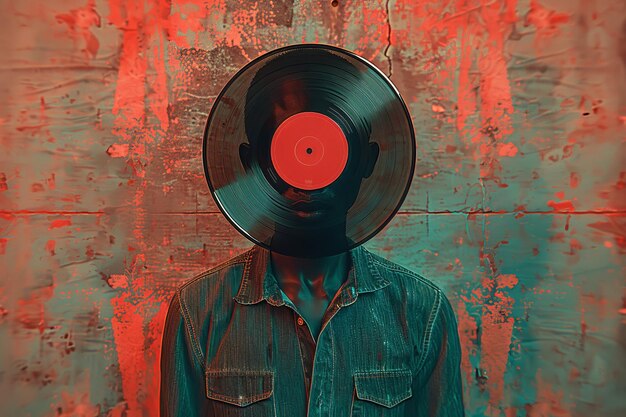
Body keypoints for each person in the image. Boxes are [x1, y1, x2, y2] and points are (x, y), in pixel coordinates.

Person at [160, 46, 465, 417]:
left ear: (365, 160)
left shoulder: (422, 312)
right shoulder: (197, 312)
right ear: (251, 162)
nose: (307, 181)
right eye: (286, 150)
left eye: (327, 149)